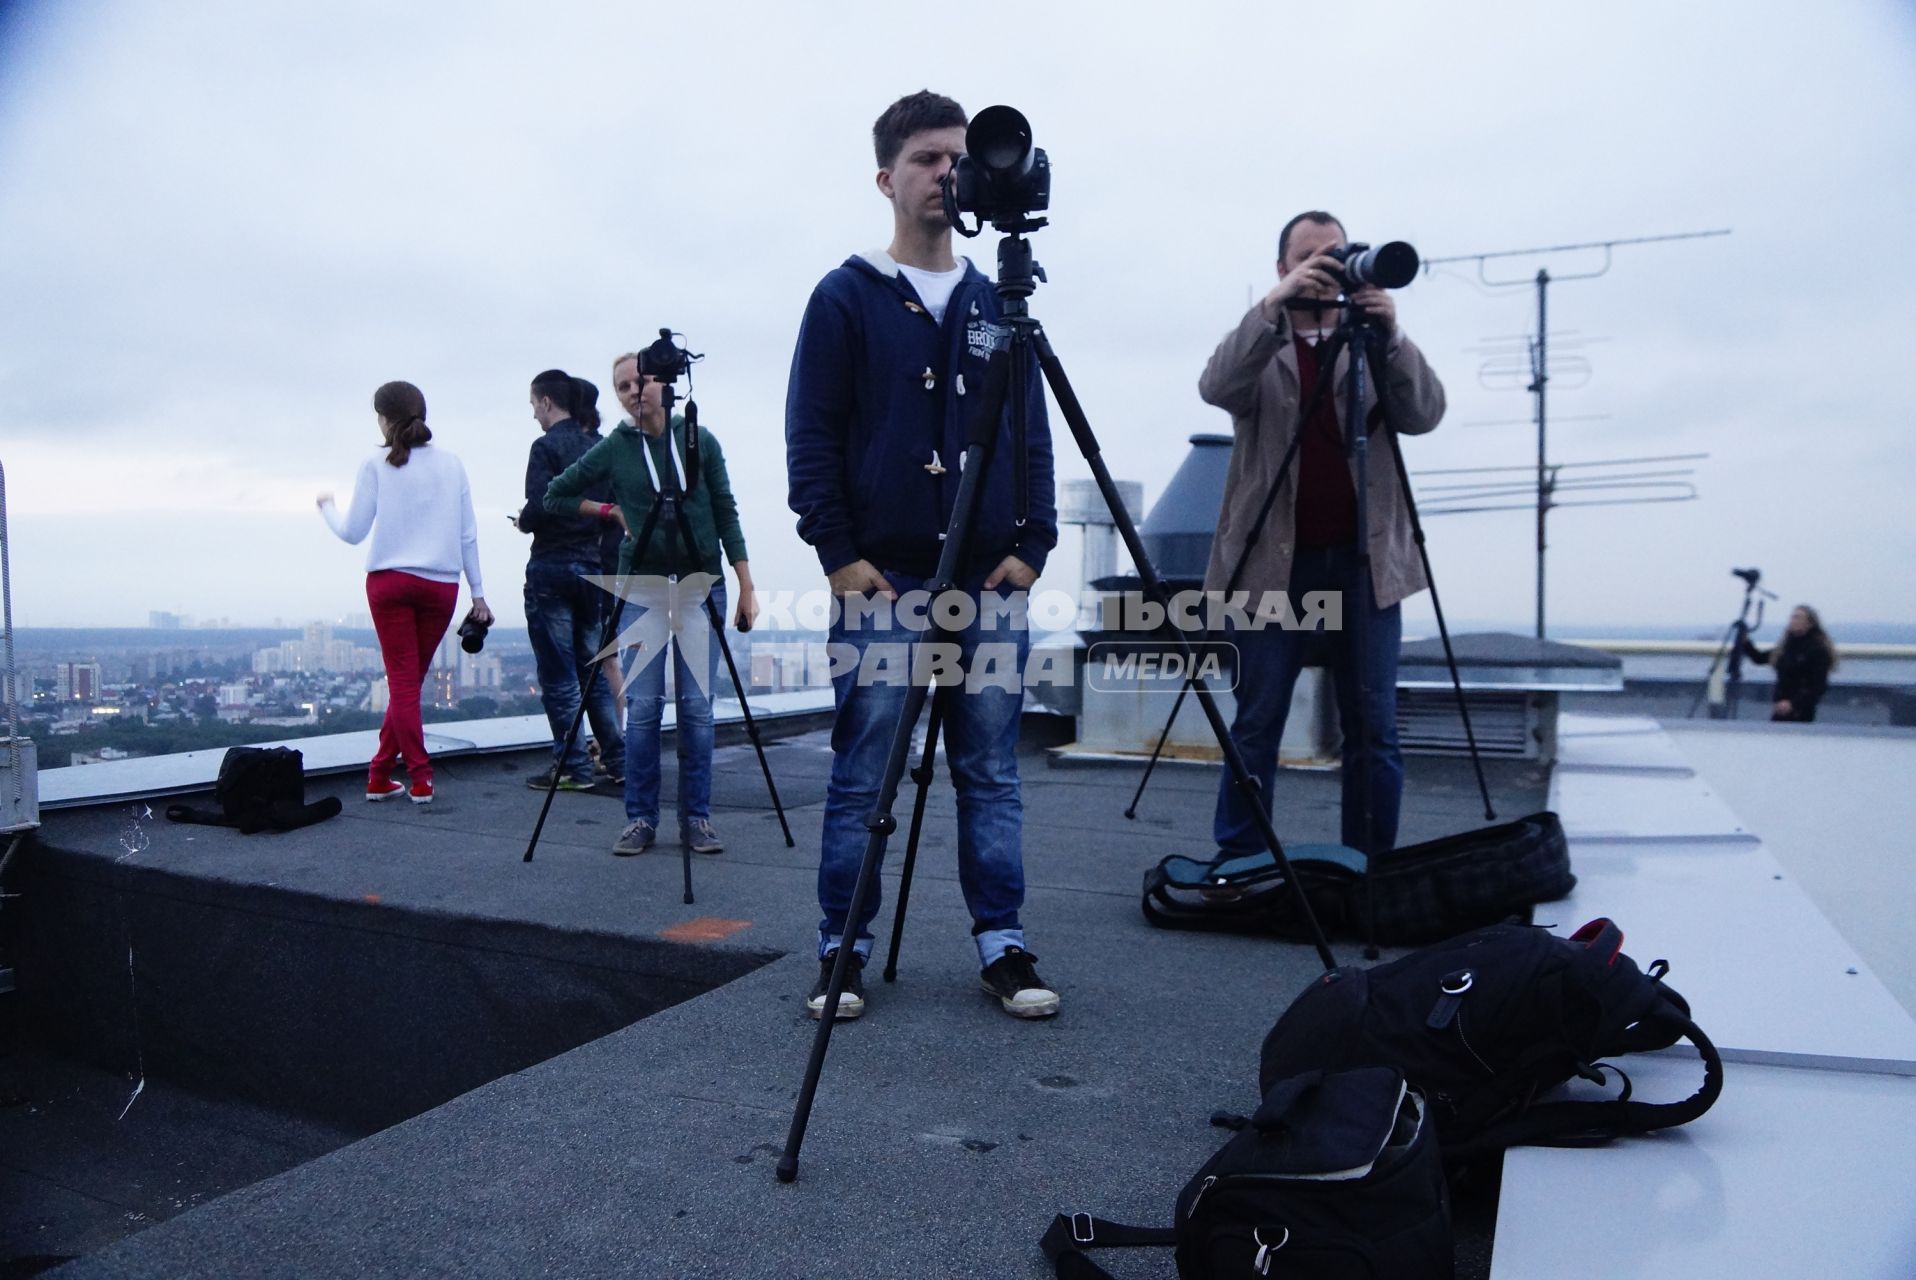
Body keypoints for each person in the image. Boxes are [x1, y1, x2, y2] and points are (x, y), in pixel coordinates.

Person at [785, 90, 1059, 1021]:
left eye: (958, 160)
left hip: (988, 580)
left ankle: (1004, 945)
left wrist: (1035, 542)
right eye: (928, 159)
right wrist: (837, 553)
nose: (949, 173)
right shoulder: (845, 296)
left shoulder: (995, 302)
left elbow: (1034, 431)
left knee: (991, 770)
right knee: (864, 767)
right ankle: (843, 947)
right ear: (886, 178)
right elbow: (812, 435)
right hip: (884, 579)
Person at [1198, 211, 1447, 862]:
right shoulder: (1264, 345)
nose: (1324, 267)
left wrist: (1391, 336)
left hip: (1367, 566)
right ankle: (1242, 858)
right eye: (1308, 257)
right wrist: (1272, 308)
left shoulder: (1370, 345)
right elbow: (1215, 386)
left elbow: (1425, 414)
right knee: (1258, 721)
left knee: (1373, 726)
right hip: (1274, 567)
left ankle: (1370, 866)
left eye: (1334, 255)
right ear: (1282, 268)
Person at [544, 351, 757, 858]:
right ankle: (640, 818)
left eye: (639, 382)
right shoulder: (616, 448)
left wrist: (747, 585)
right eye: (621, 387)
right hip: (641, 586)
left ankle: (697, 819)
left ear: (664, 383)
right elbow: (554, 496)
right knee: (642, 709)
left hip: (701, 583)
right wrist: (612, 511)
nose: (633, 392)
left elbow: (725, 510)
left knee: (698, 710)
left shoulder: (698, 439)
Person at [318, 380, 490, 805]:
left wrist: (326, 507)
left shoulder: (375, 464)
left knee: (403, 684)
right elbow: (468, 533)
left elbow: (353, 532)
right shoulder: (452, 464)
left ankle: (418, 776)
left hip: (389, 584)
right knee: (409, 684)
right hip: (440, 585)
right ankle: (381, 775)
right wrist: (479, 594)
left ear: (382, 418)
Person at [514, 368, 626, 791]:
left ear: (546, 402)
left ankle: (572, 766)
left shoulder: (545, 447)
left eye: (533, 405)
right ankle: (618, 760)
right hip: (592, 569)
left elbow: (543, 505)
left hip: (553, 566)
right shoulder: (600, 448)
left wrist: (525, 520)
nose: (534, 415)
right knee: (593, 671)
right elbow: (613, 511)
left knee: (559, 676)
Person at [571, 374, 627, 719]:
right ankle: (619, 738)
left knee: (605, 658)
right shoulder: (609, 448)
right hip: (613, 558)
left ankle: (618, 739)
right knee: (607, 657)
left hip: (597, 561)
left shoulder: (589, 454)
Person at [1741, 605, 1837, 722]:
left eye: (1798, 617)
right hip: (1780, 707)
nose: (1793, 621)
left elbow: (1819, 686)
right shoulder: (1786, 647)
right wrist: (1745, 642)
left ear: (1810, 623)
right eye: (1792, 617)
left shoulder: (1817, 650)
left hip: (1801, 711)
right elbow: (1759, 658)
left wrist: (1793, 704)